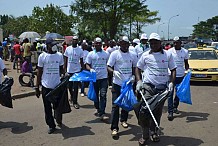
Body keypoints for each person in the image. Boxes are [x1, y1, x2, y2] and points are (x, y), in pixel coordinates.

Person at [135, 33, 176, 145]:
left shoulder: (167, 55)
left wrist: (172, 83)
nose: (153, 44)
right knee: (144, 111)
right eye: (151, 43)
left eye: (155, 42)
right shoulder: (145, 55)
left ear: (160, 43)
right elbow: (138, 68)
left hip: (162, 89)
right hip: (148, 87)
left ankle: (154, 132)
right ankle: (145, 134)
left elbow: (173, 69)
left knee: (157, 112)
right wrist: (139, 81)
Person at [107, 36, 138, 138]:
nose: (125, 45)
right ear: (119, 44)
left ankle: (123, 120)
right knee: (115, 106)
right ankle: (114, 128)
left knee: (126, 104)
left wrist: (134, 76)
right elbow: (108, 66)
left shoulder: (133, 55)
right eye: (123, 43)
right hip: (117, 84)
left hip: (129, 84)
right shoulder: (114, 54)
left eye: (126, 43)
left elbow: (135, 67)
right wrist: (114, 72)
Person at [35, 37, 64, 134]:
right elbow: (39, 72)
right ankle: (51, 125)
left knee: (57, 105)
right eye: (52, 45)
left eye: (55, 44)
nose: (54, 46)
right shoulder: (42, 57)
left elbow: (61, 69)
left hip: (57, 86)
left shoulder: (59, 56)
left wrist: (64, 75)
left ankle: (58, 117)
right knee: (47, 107)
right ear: (47, 46)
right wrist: (37, 87)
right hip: (46, 86)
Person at [86, 37, 109, 120]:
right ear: (94, 44)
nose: (98, 44)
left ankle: (102, 112)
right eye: (97, 43)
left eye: (100, 43)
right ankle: (98, 108)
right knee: (95, 96)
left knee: (103, 95)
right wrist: (90, 69)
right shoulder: (91, 54)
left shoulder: (106, 54)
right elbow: (87, 64)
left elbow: (109, 65)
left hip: (104, 78)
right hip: (94, 78)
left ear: (102, 44)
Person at [167, 36, 189, 121]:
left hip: (180, 75)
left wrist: (188, 70)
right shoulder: (169, 51)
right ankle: (170, 111)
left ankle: (175, 106)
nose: (176, 44)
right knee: (170, 93)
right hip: (171, 75)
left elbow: (186, 63)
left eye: (177, 42)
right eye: (174, 42)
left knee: (179, 93)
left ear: (181, 43)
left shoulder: (185, 52)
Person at [64, 36, 84, 109]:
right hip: (69, 70)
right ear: (71, 41)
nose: (75, 41)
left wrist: (82, 69)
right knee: (69, 86)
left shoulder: (80, 50)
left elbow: (82, 60)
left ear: (77, 41)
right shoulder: (68, 49)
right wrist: (64, 69)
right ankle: (72, 97)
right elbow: (65, 59)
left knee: (75, 87)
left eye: (76, 40)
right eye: (73, 40)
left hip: (77, 71)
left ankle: (75, 102)